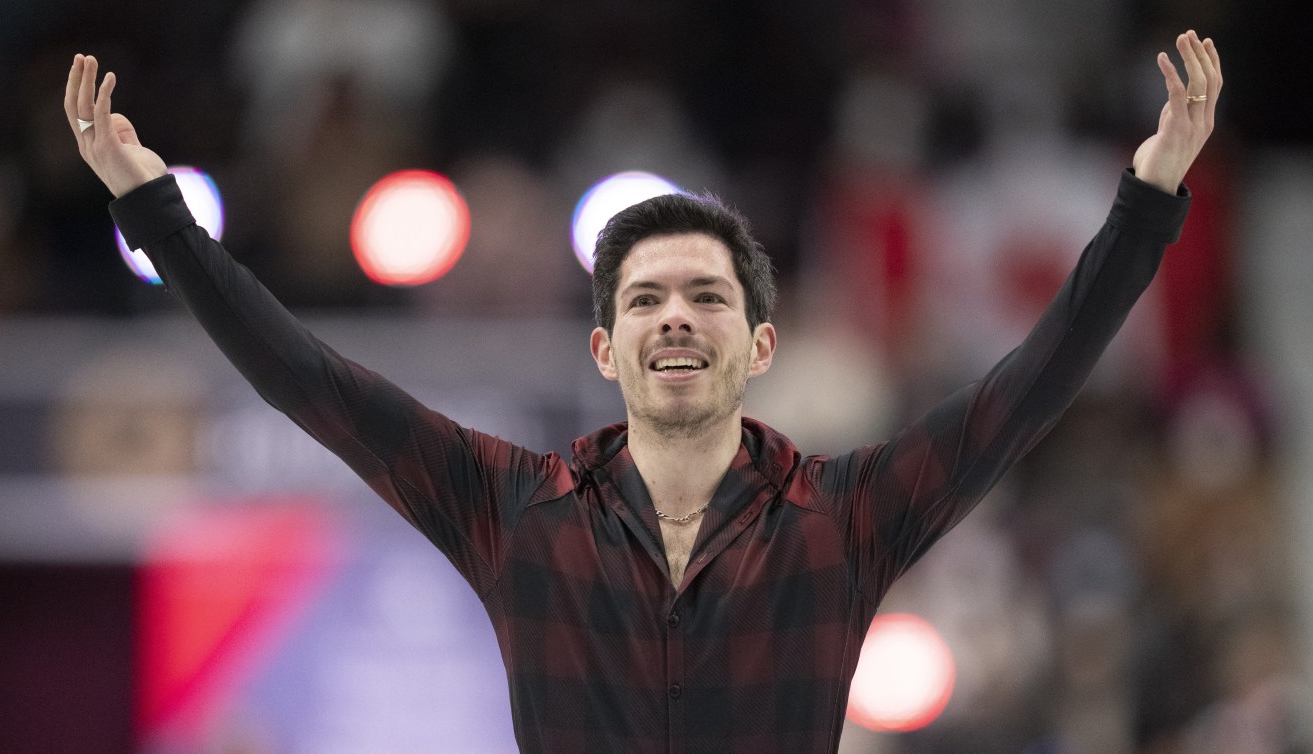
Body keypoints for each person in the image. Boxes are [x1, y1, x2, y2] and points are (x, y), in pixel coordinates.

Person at [65, 30, 1221, 753]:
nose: (676, 314)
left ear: (759, 343)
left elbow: (1032, 385)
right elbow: (305, 379)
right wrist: (158, 216)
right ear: (605, 349)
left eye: (707, 297)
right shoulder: (512, 509)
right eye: (647, 299)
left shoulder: (845, 520)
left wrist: (1147, 199)